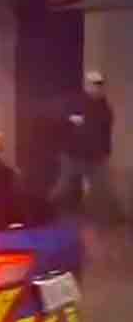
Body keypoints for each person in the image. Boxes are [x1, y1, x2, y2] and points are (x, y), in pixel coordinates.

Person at [50, 70, 121, 219]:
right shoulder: (76, 102)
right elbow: (61, 119)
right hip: (73, 153)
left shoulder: (104, 107)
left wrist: (106, 152)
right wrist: (71, 120)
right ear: (88, 85)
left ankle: (108, 218)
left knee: (102, 188)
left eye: (99, 85)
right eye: (94, 85)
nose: (97, 88)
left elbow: (105, 131)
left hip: (94, 156)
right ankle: (48, 211)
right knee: (63, 187)